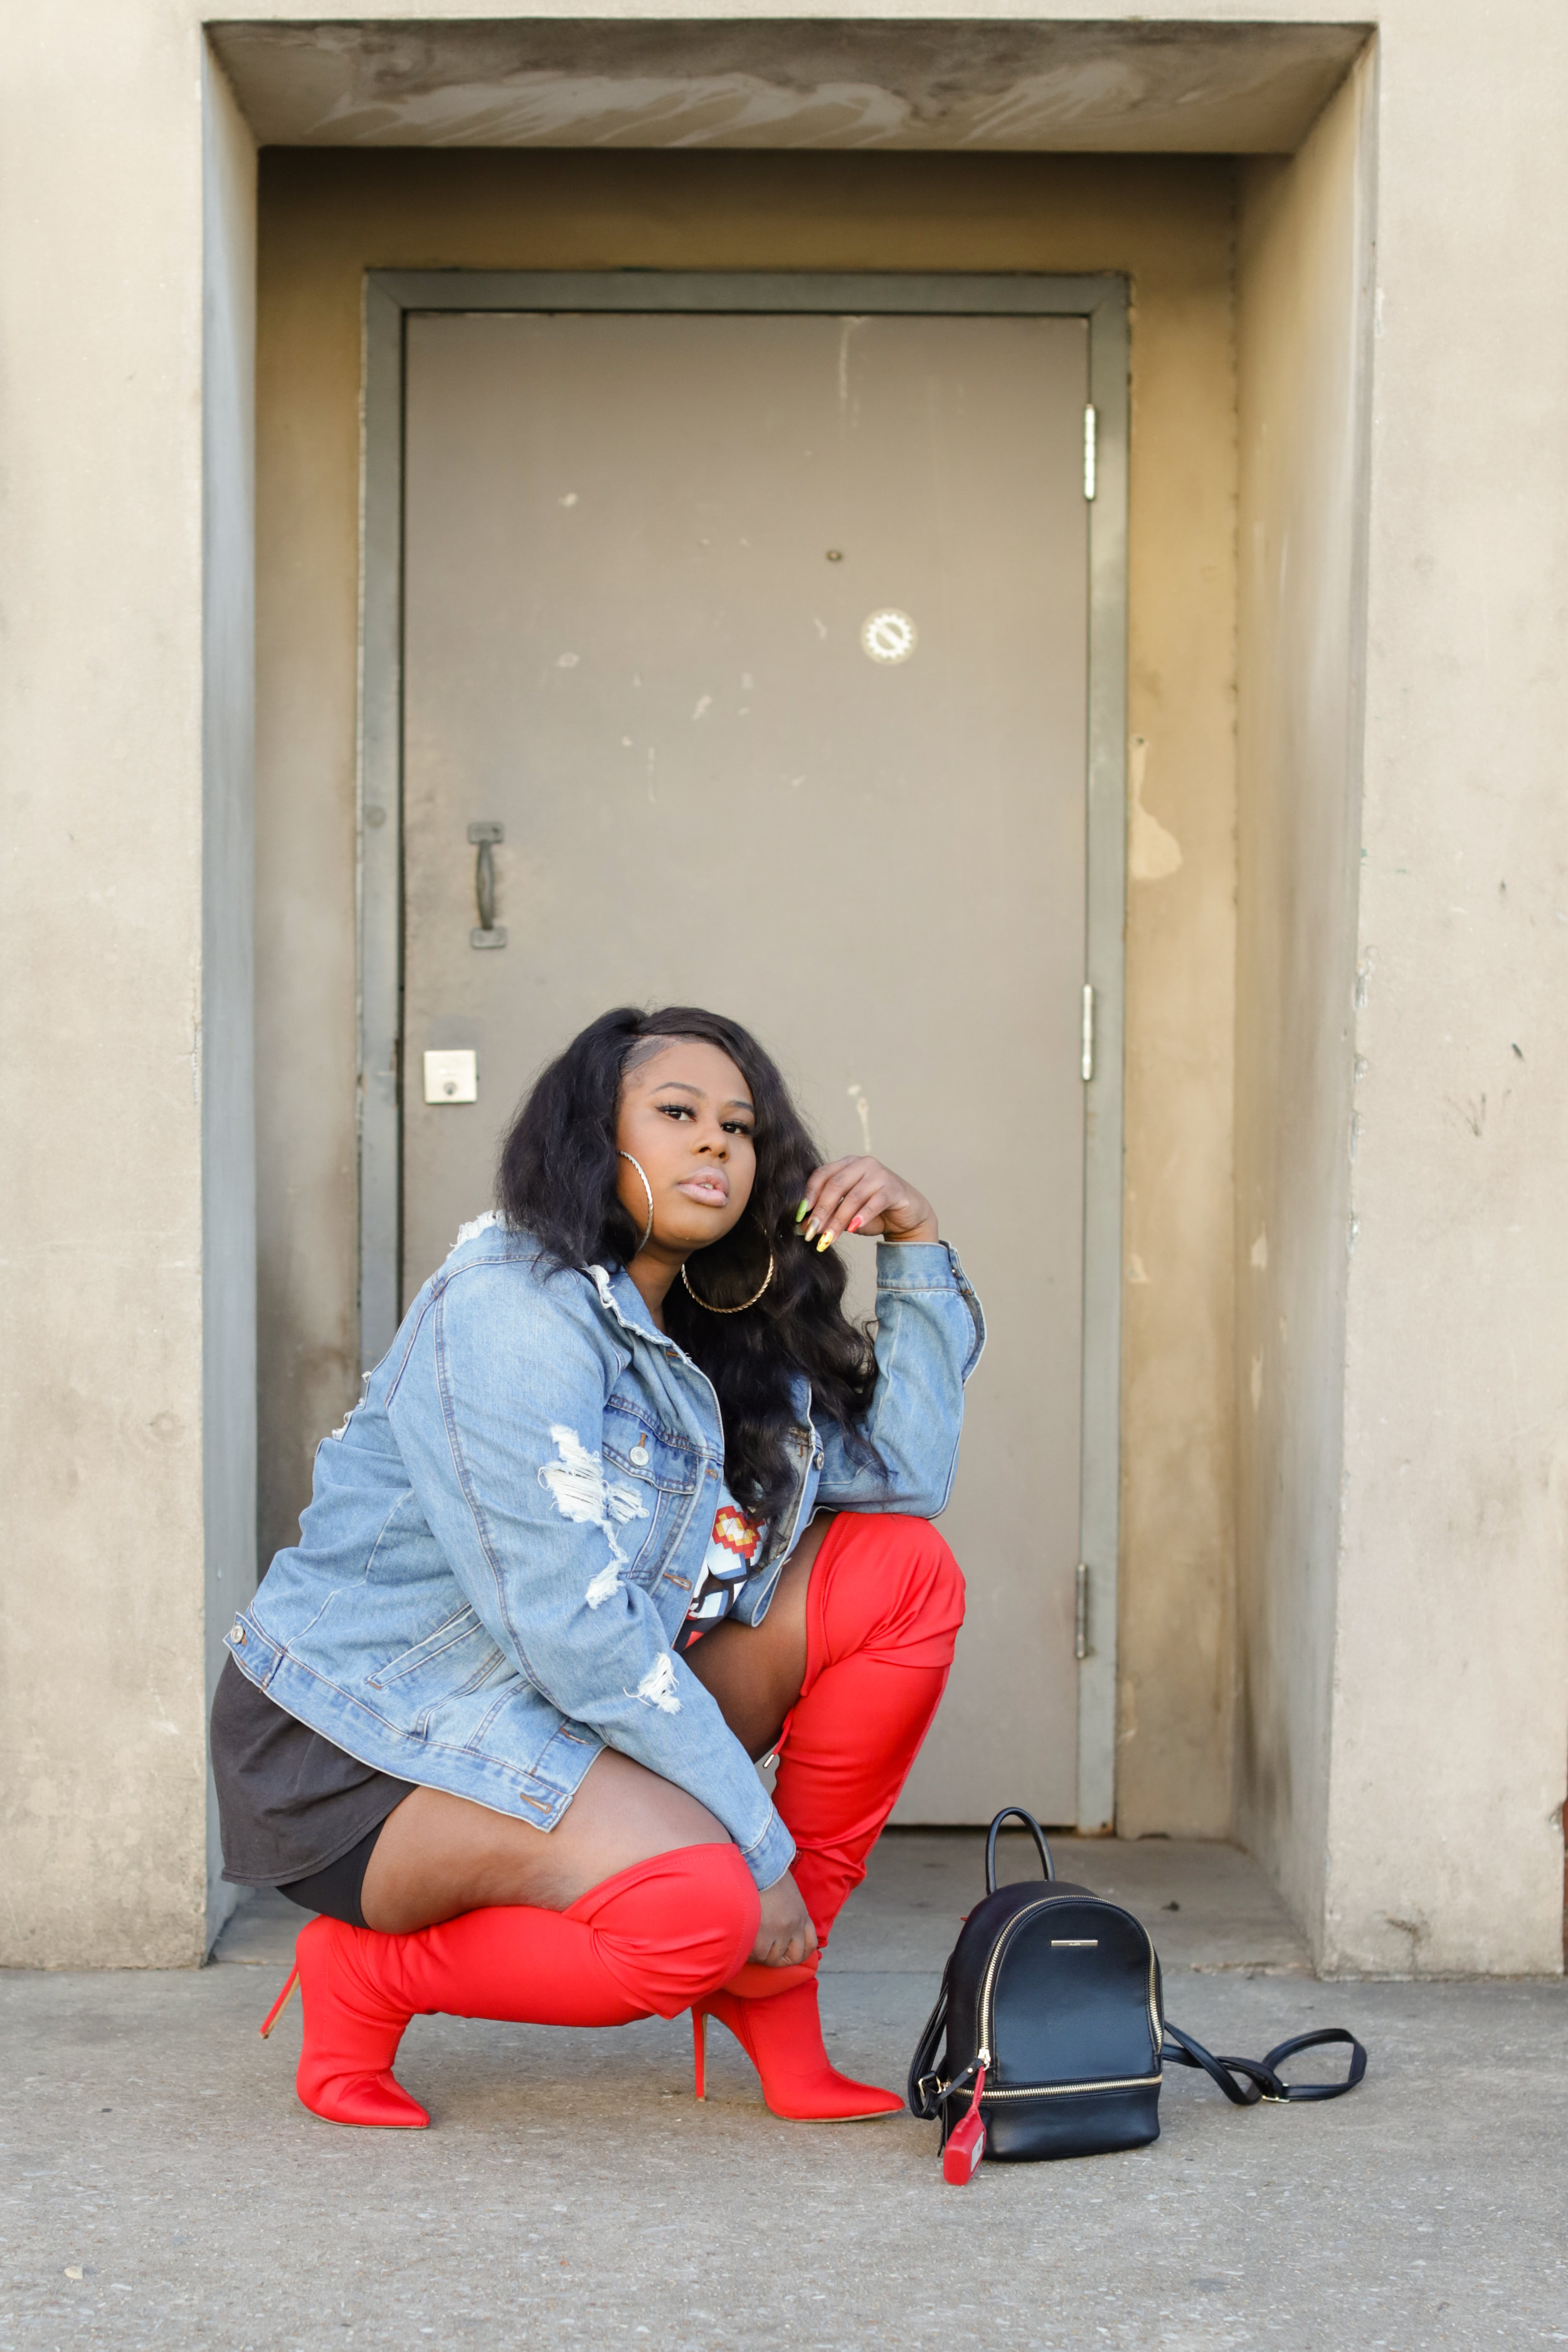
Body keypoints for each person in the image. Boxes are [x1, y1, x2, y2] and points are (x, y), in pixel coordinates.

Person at [213, 1005, 983, 2128]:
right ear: (592, 1135)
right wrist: (760, 1849)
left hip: (550, 1708)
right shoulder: (515, 1311)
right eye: (677, 1114)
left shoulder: (714, 1330)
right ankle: (365, 1974)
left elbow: (907, 1476)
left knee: (899, 1573)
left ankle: (774, 1978)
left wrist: (914, 1246)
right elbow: (571, 1633)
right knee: (697, 1908)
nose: (717, 1144)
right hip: (367, 1743)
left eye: (740, 1126)